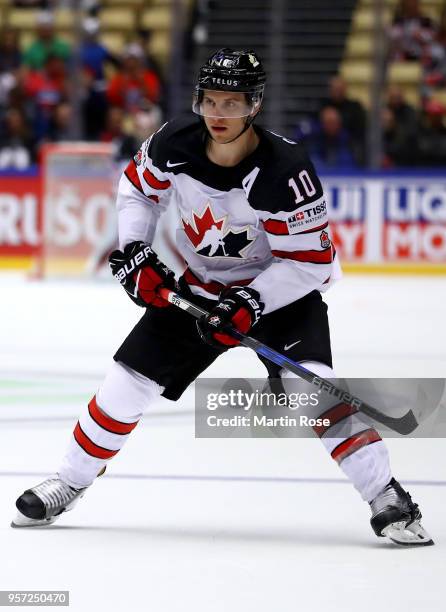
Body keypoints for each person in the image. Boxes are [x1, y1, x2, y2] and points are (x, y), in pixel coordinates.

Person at [12, 48, 432, 546]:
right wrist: (135, 252)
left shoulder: (286, 171)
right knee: (124, 384)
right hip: (202, 285)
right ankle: (70, 480)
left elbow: (310, 264)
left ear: (254, 105)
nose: (218, 114)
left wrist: (251, 302)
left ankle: (386, 494)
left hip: (281, 296)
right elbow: (137, 191)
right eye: (210, 100)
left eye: (231, 103)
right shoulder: (175, 141)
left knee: (313, 391)